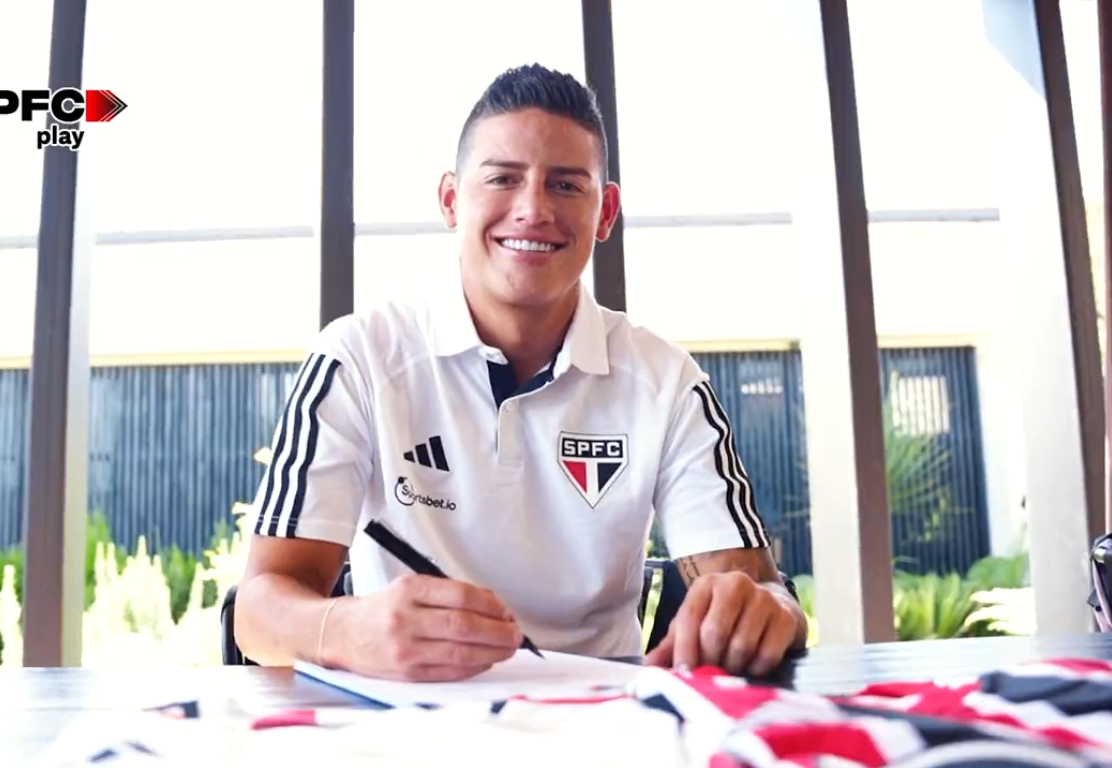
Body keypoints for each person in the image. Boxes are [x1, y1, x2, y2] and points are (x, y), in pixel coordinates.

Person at [234, 63, 807, 682]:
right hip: (404, 721)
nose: (533, 209)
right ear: (452, 199)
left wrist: (765, 611)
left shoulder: (666, 381)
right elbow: (260, 608)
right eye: (504, 178)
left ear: (606, 211)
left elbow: (754, 588)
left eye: (566, 185)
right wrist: (346, 630)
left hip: (606, 723)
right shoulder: (358, 357)